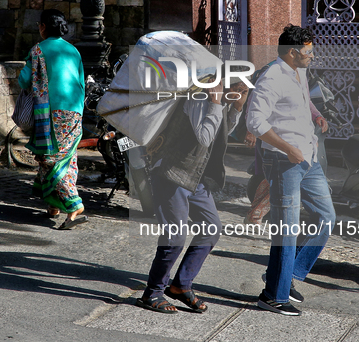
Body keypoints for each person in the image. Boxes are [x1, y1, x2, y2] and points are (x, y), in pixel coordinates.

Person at [136, 70, 249, 314]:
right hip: (173, 173)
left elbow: (219, 133)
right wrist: (217, 102)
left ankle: (180, 285)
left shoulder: (214, 95)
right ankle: (152, 292)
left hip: (196, 177)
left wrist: (236, 108)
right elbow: (205, 137)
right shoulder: (200, 96)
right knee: (175, 236)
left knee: (210, 229)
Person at [246, 24, 335, 316]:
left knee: (326, 218)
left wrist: (316, 115)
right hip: (285, 163)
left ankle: (290, 275)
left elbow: (304, 98)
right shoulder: (270, 78)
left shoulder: (299, 71)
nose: (313, 56)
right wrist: (288, 149)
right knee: (287, 230)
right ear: (293, 53)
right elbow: (255, 123)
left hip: (308, 159)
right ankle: (273, 296)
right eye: (308, 52)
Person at [18, 9, 87, 230]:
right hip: (74, 111)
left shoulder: (38, 49)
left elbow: (23, 80)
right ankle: (53, 203)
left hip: (51, 112)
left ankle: (73, 203)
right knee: (68, 157)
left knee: (50, 157)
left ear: (43, 27)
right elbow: (81, 82)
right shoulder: (73, 51)